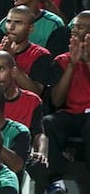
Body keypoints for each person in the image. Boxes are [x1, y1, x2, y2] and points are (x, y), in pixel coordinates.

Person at [42, 11, 90, 194]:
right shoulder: (61, 61)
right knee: (47, 122)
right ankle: (56, 182)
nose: (74, 30)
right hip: (71, 114)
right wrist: (71, 65)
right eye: (73, 26)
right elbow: (56, 101)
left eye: (80, 27)